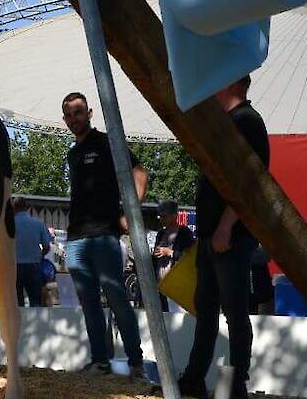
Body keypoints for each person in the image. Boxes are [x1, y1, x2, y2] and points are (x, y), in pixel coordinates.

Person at [178, 75, 269, 399]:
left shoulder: (247, 121)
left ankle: (236, 383)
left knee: (234, 311)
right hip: (212, 235)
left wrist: (227, 226)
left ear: (230, 84)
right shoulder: (233, 121)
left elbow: (250, 180)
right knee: (207, 310)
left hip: (228, 236)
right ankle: (194, 378)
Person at [62, 92, 148, 378]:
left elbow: (139, 174)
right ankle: (100, 360)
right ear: (65, 120)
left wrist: (130, 214)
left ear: (90, 113)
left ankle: (135, 360)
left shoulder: (107, 143)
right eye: (70, 115)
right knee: (88, 301)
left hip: (104, 236)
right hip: (75, 238)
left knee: (116, 296)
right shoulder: (72, 153)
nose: (75, 118)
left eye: (78, 112)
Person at [152, 200, 195, 312]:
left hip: (177, 285)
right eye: (160, 216)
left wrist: (170, 253)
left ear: (174, 215)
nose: (161, 219)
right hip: (161, 284)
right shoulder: (161, 233)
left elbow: (189, 258)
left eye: (164, 216)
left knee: (177, 316)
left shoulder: (184, 232)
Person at [13, 197, 53, 307]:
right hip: (34, 265)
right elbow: (46, 246)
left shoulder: (9, 224)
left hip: (14, 267)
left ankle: (19, 323)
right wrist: (41, 255)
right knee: (36, 300)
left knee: (17, 301)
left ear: (14, 208)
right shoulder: (38, 224)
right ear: (27, 208)